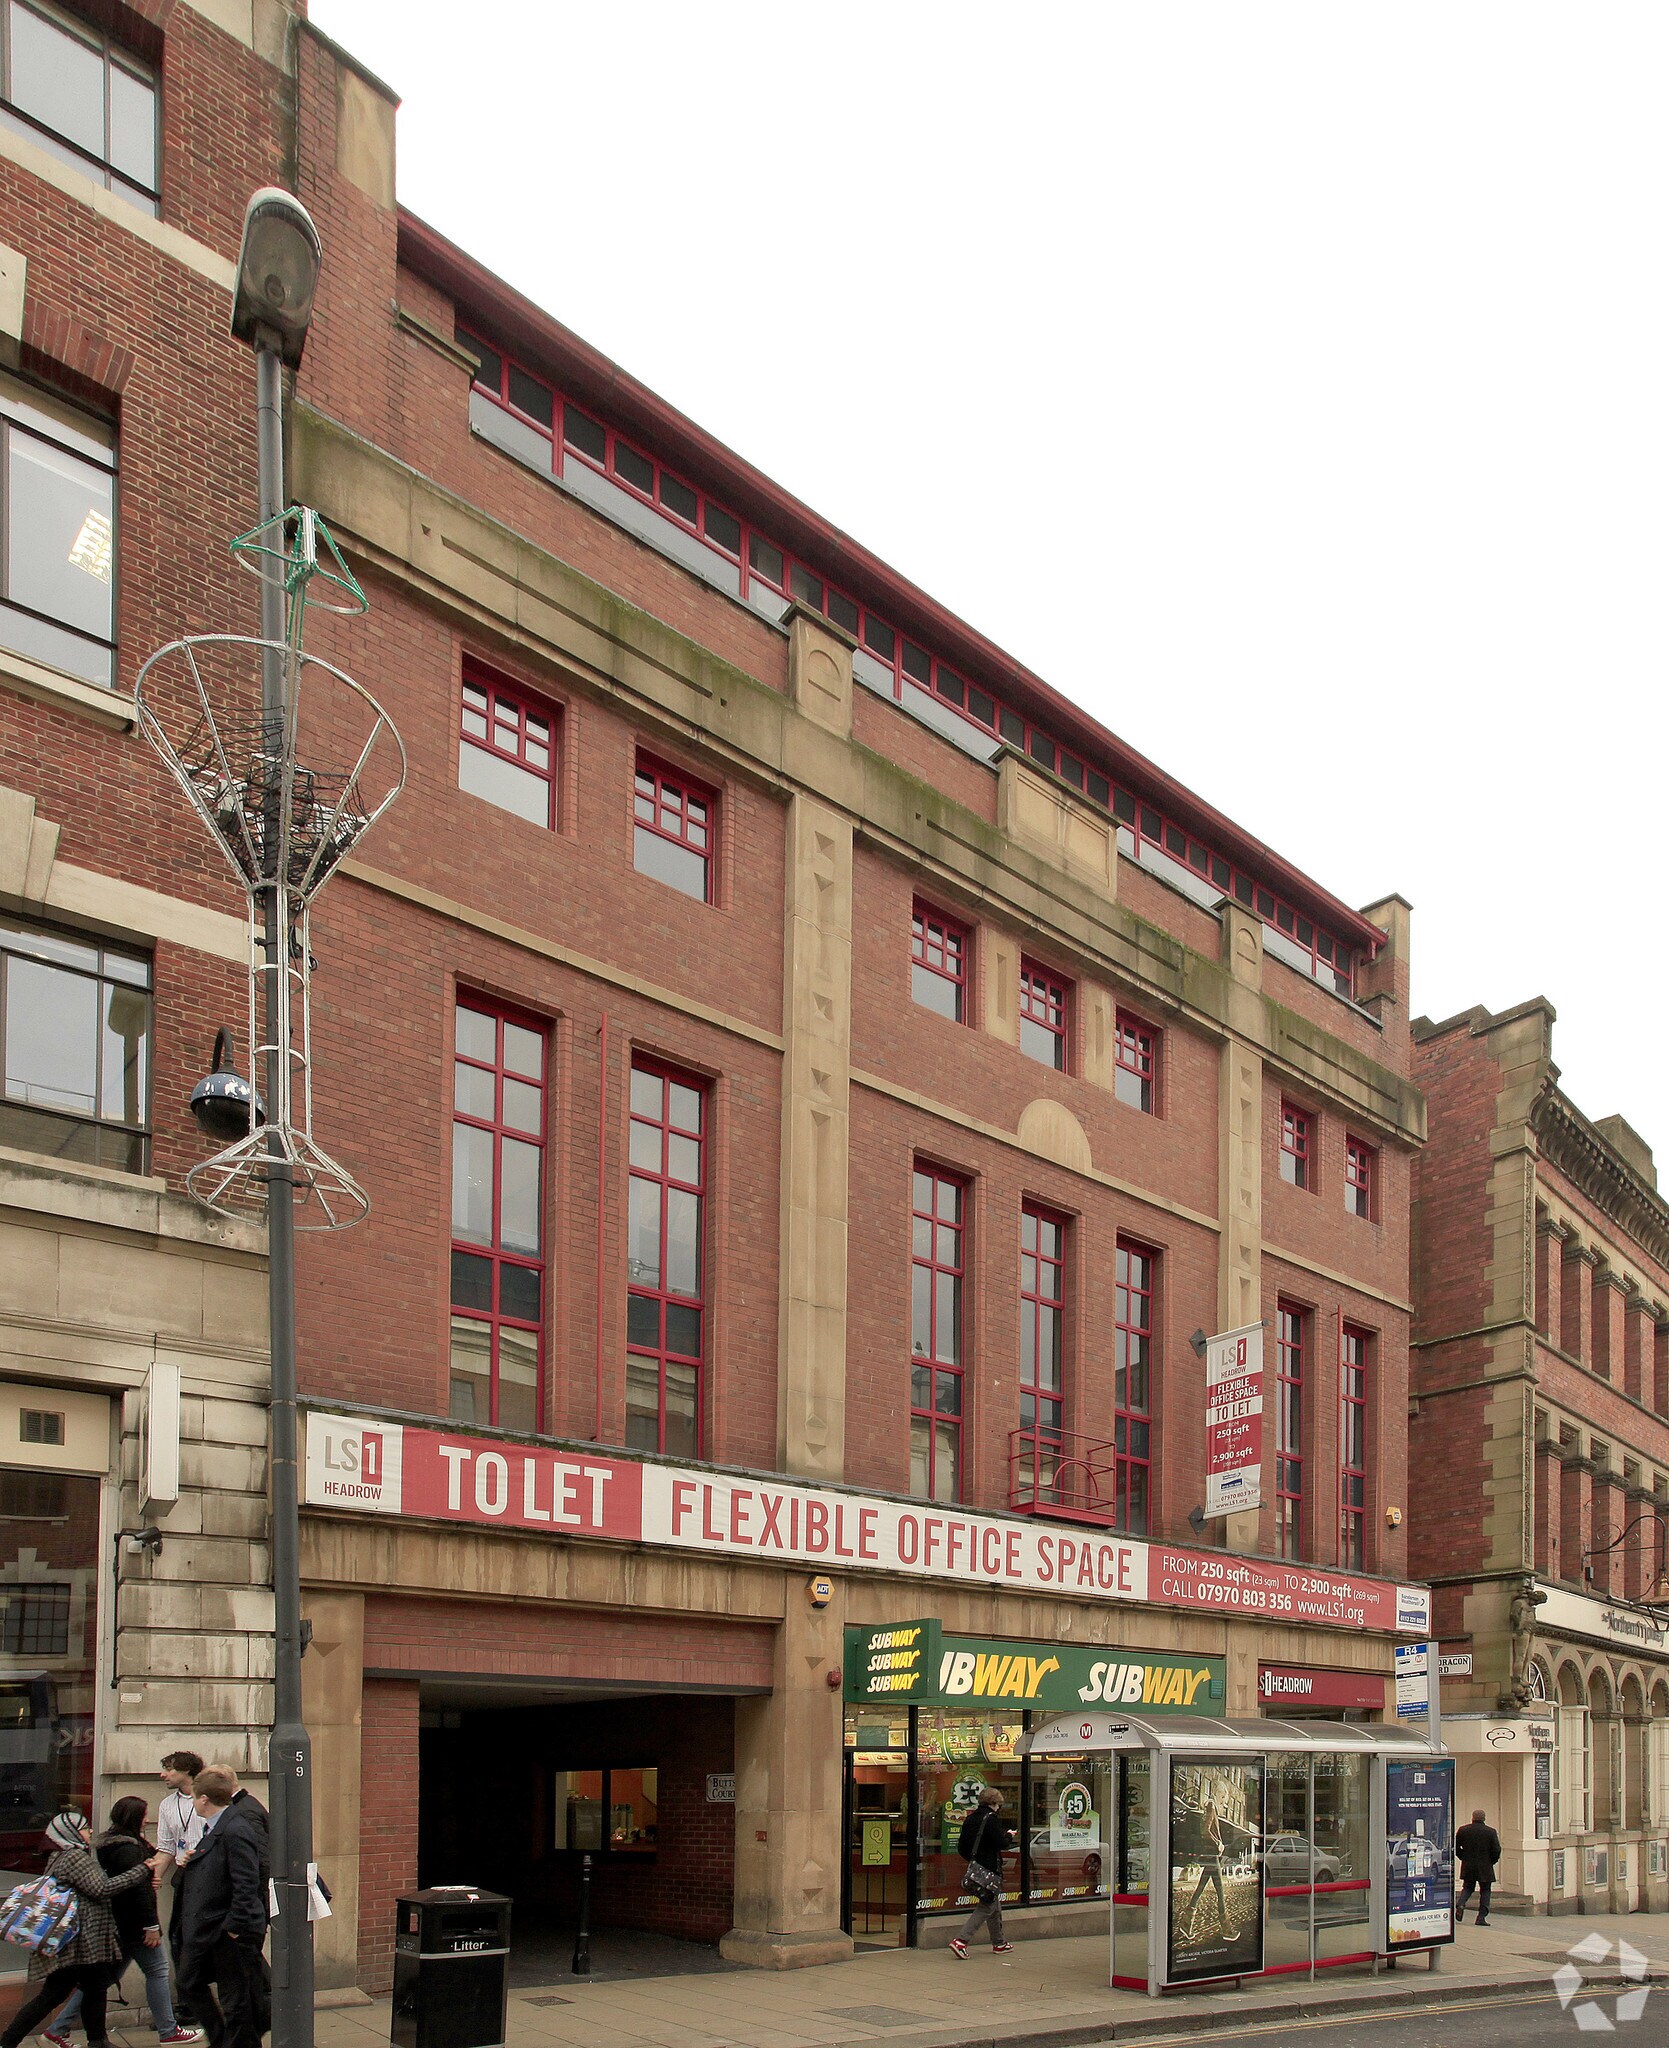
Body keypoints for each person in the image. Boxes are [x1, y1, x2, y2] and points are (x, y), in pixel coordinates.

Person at [43, 1796, 202, 2048]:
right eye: (144, 1815)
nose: (147, 1820)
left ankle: (58, 2028)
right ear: (134, 1818)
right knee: (157, 1970)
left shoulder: (111, 1844)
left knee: (100, 1980)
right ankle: (168, 2031)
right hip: (135, 1924)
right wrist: (151, 1926)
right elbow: (137, 1891)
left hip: (120, 1923)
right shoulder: (128, 1849)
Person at [0, 1810, 150, 2048]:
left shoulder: (61, 1855)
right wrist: (141, 1870)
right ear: (69, 1832)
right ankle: (8, 2041)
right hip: (78, 1942)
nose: (90, 1831)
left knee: (95, 1987)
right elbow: (101, 1889)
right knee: (55, 1994)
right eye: (84, 1827)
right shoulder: (74, 1857)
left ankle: (98, 2041)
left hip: (82, 1941)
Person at [175, 1767, 270, 2048]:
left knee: (236, 2000)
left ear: (204, 1799)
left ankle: (232, 2041)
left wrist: (234, 1927)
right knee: (189, 1981)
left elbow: (247, 1881)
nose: (193, 1803)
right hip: (210, 1927)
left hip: (229, 1930)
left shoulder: (235, 1828)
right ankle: (222, 2039)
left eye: (194, 1798)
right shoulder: (217, 1826)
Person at [948, 1787, 1015, 1958]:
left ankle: (999, 1943)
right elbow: (1002, 1843)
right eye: (998, 1804)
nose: (999, 1808)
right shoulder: (991, 1819)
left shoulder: (970, 1819)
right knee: (987, 1906)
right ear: (994, 1803)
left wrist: (974, 1862)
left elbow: (962, 1847)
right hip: (990, 1869)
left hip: (977, 1868)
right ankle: (961, 1941)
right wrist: (1009, 1835)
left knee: (994, 1905)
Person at [1184, 1796, 1236, 1940]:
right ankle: (1226, 1929)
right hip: (1212, 1856)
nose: (1225, 1802)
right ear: (1221, 1795)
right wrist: (1218, 1843)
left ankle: (1186, 1924)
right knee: (1220, 1892)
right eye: (1224, 1798)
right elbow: (1205, 1831)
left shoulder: (1209, 1808)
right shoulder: (1212, 1807)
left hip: (1210, 1856)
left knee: (1200, 1889)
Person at [1455, 1807, 1502, 1926]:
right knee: (1485, 1891)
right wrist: (1492, 1861)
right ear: (1484, 1818)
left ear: (1473, 1818)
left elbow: (1456, 1847)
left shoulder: (1463, 1830)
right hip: (1485, 1866)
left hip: (1468, 1865)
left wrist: (1463, 1857)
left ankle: (1461, 1903)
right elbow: (1496, 1849)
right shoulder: (1490, 1832)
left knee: (1467, 1887)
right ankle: (1481, 1917)